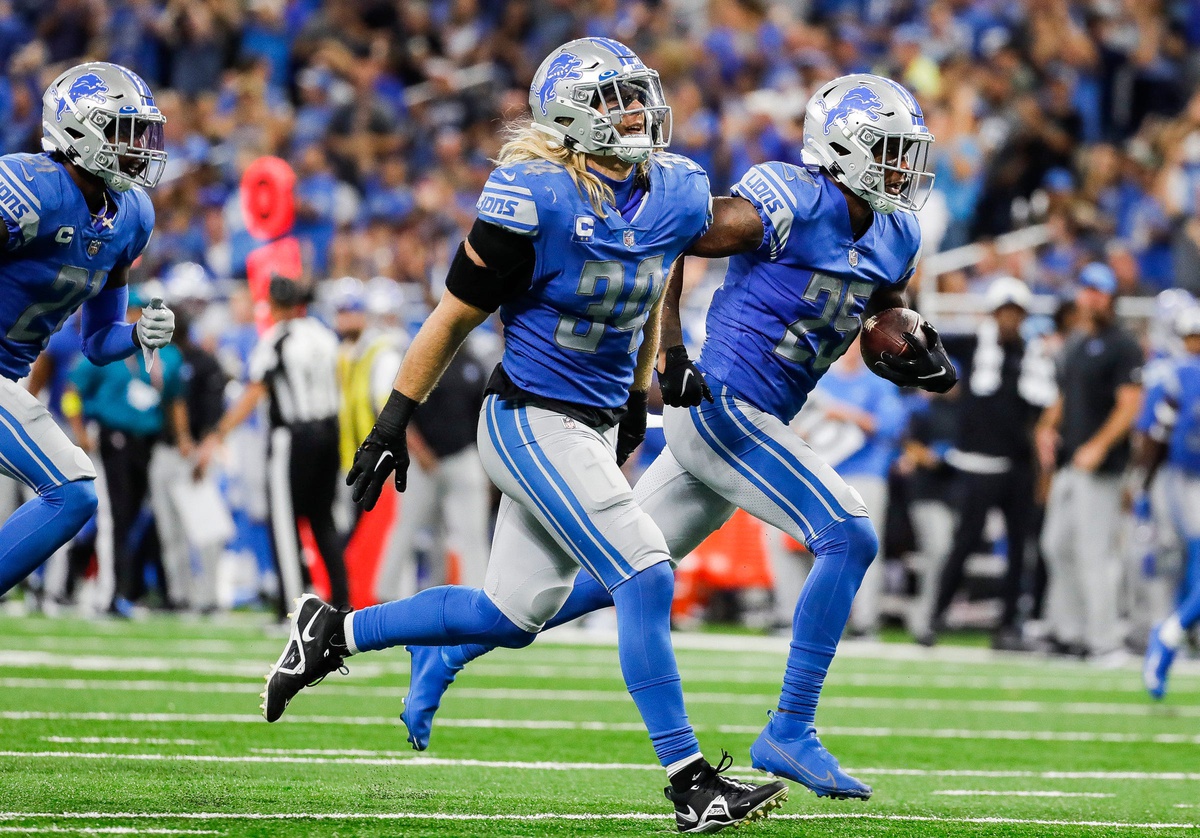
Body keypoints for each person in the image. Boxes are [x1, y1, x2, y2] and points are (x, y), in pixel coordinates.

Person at [260, 39, 788, 834]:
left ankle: (333, 631)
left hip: (592, 417)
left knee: (511, 615)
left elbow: (645, 294)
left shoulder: (676, 189)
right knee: (645, 573)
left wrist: (640, 396)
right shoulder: (532, 195)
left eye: (639, 94)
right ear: (573, 116)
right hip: (529, 417)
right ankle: (690, 783)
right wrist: (392, 422)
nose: (638, 112)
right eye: (616, 98)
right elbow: (452, 317)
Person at [399, 73, 955, 800]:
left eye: (905, 152)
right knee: (850, 536)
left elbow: (878, 299)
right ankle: (790, 730)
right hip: (720, 406)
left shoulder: (899, 231)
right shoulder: (794, 199)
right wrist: (670, 355)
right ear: (840, 147)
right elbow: (672, 236)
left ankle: (444, 654)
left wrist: (903, 337)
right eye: (886, 150)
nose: (900, 167)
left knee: (610, 578)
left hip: (757, 418)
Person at [0, 62, 173, 598]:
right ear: (80, 128)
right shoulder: (31, 188)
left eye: (143, 132)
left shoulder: (131, 216)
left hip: (11, 379)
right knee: (71, 491)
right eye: (125, 131)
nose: (139, 145)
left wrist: (138, 333)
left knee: (73, 493)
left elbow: (98, 342)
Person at [922, 277, 1057, 649]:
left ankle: (1008, 626)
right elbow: (929, 343)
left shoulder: (1035, 354)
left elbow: (1045, 407)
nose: (1010, 319)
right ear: (993, 314)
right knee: (964, 542)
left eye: (1016, 312)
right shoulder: (970, 344)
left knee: (1018, 548)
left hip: (1017, 465)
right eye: (1004, 311)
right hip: (977, 462)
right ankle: (934, 616)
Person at [202, 276, 349, 616]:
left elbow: (255, 390)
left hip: (293, 438)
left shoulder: (277, 339)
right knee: (322, 520)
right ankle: (341, 601)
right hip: (330, 433)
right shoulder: (324, 335)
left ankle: (294, 605)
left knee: (284, 522)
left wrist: (220, 431)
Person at [1036, 263, 1143, 665]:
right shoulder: (1077, 343)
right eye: (1087, 290)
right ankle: (1069, 633)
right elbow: (1065, 397)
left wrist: (1098, 446)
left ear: (1111, 297)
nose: (1092, 297)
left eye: (1100, 291)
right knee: (1056, 545)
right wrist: (1047, 427)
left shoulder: (1123, 344)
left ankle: (1103, 641)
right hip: (1070, 462)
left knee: (1094, 553)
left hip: (1101, 465)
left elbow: (1130, 404)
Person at [68, 285, 191, 615]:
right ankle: (107, 594)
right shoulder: (110, 350)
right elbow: (72, 390)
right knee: (114, 519)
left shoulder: (169, 355)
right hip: (112, 438)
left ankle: (123, 591)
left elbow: (176, 399)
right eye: (136, 312)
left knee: (135, 520)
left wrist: (183, 438)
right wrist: (79, 430)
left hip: (147, 443)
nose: (142, 319)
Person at [1142, 307, 1200, 698]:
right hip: (1187, 478)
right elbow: (1159, 432)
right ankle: (1171, 632)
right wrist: (1145, 487)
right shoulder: (1179, 374)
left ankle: (1172, 632)